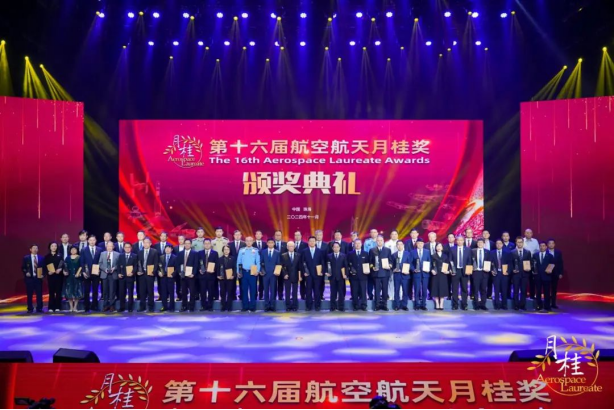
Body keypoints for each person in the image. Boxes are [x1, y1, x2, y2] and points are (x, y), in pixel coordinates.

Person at [302, 236, 326, 311]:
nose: (312, 242)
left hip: (317, 274)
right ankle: (308, 306)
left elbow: (322, 262)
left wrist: (322, 272)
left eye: (313, 241)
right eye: (310, 241)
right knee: (308, 291)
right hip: (308, 274)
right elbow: (302, 262)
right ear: (308, 242)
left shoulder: (320, 251)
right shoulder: (304, 251)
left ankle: (317, 306)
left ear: (315, 242)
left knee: (317, 291)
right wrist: (304, 272)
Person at [237, 236, 261, 312]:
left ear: (253, 242)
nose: (248, 242)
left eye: (250, 241)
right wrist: (238, 271)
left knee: (253, 290)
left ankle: (252, 306)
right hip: (244, 272)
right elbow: (239, 262)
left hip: (252, 272)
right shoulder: (241, 250)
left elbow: (258, 262)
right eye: (247, 241)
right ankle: (245, 306)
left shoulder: (256, 250)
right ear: (245, 242)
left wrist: (258, 270)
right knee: (244, 290)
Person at [369, 235, 392, 311]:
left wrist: (389, 265)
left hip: (385, 273)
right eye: (378, 240)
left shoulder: (388, 250)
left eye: (381, 240)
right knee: (377, 290)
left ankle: (384, 305)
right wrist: (372, 267)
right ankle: (377, 305)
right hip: (376, 273)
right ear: (376, 241)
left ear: (383, 241)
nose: (379, 242)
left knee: (385, 290)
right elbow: (370, 262)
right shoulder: (372, 250)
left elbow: (390, 261)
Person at [449, 235, 472, 310]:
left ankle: (464, 305)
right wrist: (451, 270)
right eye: (458, 240)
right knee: (454, 289)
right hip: (455, 271)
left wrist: (468, 270)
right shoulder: (452, 249)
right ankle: (455, 305)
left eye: (461, 240)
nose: (459, 242)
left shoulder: (468, 249)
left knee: (464, 289)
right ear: (456, 241)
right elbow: (450, 260)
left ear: (463, 241)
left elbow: (469, 261)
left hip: (464, 271)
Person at [347, 238, 369, 311]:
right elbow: (347, 264)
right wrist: (350, 271)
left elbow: (368, 263)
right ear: (354, 245)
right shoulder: (350, 254)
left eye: (359, 243)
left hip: (363, 276)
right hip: (353, 276)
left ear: (361, 244)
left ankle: (364, 305)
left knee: (363, 291)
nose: (357, 245)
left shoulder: (365, 253)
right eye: (356, 243)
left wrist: (367, 271)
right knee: (354, 291)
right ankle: (355, 305)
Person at [511, 236, 533, 311]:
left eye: (521, 242)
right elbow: (510, 263)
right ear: (516, 243)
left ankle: (522, 305)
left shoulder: (527, 252)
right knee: (516, 291)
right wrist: (512, 270)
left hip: (524, 274)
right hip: (516, 274)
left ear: (523, 243)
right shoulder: (512, 252)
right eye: (518, 242)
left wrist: (529, 268)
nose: (519, 244)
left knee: (524, 291)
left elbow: (530, 262)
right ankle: (516, 305)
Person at [137, 238, 158, 312]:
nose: (145, 244)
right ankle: (142, 307)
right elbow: (138, 263)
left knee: (150, 291)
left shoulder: (154, 251)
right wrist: (138, 271)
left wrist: (153, 272)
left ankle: (151, 306)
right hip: (142, 274)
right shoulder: (140, 252)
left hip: (150, 274)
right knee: (142, 291)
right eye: (144, 242)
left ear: (150, 243)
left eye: (147, 242)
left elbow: (156, 263)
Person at [81, 235, 102, 313]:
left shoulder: (99, 249)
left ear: (95, 241)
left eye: (93, 240)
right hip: (87, 272)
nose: (92, 241)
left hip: (96, 272)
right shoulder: (84, 250)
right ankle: (86, 306)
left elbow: (101, 261)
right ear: (88, 241)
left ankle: (94, 306)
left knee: (95, 290)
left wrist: (100, 269)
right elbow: (82, 261)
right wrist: (83, 271)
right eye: (90, 240)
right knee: (86, 290)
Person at [22, 244, 45, 313]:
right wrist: (26, 272)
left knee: (39, 294)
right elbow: (23, 268)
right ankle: (30, 308)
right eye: (33, 248)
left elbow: (44, 268)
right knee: (29, 294)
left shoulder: (41, 258)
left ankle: (39, 308)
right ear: (30, 249)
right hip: (30, 279)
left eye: (36, 248)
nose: (35, 249)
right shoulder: (26, 258)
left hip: (38, 278)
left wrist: (43, 275)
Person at [533, 241, 555, 312]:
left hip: (546, 276)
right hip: (538, 277)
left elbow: (552, 264)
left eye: (543, 246)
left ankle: (547, 306)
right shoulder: (535, 255)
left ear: (546, 247)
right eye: (540, 246)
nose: (542, 247)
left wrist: (550, 270)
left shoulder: (550, 256)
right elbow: (533, 265)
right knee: (538, 292)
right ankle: (539, 305)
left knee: (547, 292)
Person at [178, 239, 199, 312]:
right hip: (183, 276)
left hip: (191, 276)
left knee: (192, 292)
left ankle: (191, 306)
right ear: (184, 244)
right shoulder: (180, 253)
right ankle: (184, 306)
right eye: (185, 243)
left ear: (191, 244)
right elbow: (178, 264)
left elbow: (196, 264)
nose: (187, 245)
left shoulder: (195, 253)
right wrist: (179, 272)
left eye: (188, 243)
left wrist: (193, 273)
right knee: (184, 292)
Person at [260, 238, 281, 312]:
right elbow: (261, 262)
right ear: (267, 243)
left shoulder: (277, 252)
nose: (270, 244)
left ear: (274, 244)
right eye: (269, 242)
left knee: (273, 290)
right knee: (265, 290)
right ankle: (266, 305)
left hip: (273, 274)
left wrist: (277, 272)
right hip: (265, 274)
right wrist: (262, 271)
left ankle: (272, 305)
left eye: (272, 242)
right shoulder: (263, 252)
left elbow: (278, 263)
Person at [471, 238, 493, 311]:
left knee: (483, 289)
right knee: (476, 289)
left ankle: (483, 304)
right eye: (479, 242)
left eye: (481, 242)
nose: (480, 244)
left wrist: (489, 269)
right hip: (476, 272)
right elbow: (470, 261)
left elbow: (490, 261)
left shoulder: (488, 252)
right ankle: (476, 305)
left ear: (484, 244)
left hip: (484, 272)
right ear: (477, 244)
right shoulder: (473, 251)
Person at [198, 239, 219, 311]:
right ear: (203, 245)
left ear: (210, 244)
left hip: (211, 275)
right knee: (202, 291)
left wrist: (214, 270)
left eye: (208, 243)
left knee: (211, 291)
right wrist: (199, 269)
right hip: (202, 275)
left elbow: (217, 264)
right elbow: (197, 263)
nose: (207, 245)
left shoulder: (215, 253)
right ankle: (203, 306)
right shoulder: (200, 253)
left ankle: (210, 306)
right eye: (205, 243)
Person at [391, 240, 412, 311]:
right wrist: (393, 269)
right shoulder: (393, 255)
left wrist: (407, 270)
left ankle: (404, 305)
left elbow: (410, 263)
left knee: (405, 291)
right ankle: (396, 305)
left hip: (405, 275)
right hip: (397, 275)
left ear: (403, 245)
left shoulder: (408, 254)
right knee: (396, 290)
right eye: (398, 244)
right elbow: (392, 265)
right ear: (396, 246)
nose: (399, 246)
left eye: (401, 244)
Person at [281, 241, 302, 312]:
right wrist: (285, 274)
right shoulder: (283, 255)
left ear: (294, 247)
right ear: (287, 247)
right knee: (287, 292)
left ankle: (295, 306)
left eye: (292, 246)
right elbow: (282, 266)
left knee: (295, 292)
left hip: (295, 276)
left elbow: (299, 267)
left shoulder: (298, 255)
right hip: (287, 276)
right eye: (289, 246)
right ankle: (288, 306)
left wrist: (300, 276)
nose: (291, 247)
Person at [99, 242, 119, 312]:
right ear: (106, 247)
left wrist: (114, 268)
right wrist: (105, 269)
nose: (109, 247)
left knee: (112, 291)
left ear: (113, 247)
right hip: (105, 274)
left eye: (111, 246)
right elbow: (100, 263)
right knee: (105, 291)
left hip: (113, 274)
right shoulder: (102, 254)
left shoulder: (117, 254)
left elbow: (119, 264)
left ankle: (112, 306)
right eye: (108, 246)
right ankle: (105, 305)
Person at [327, 242, 348, 312]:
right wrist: (326, 272)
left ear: (339, 248)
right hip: (332, 277)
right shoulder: (329, 256)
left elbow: (346, 266)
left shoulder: (343, 256)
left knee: (341, 293)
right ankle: (333, 307)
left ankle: (341, 307)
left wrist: (346, 274)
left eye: (337, 247)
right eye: (334, 247)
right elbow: (327, 265)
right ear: (332, 248)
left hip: (341, 277)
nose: (336, 248)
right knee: (333, 292)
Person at [490, 239, 511, 310]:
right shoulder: (492, 253)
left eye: (500, 243)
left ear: (502, 244)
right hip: (496, 273)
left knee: (504, 290)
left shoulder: (507, 253)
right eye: (497, 243)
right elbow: (489, 263)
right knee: (496, 290)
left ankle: (504, 305)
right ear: (495, 245)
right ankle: (497, 305)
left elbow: (510, 263)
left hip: (504, 274)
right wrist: (491, 270)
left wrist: (508, 271)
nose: (498, 245)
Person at [411, 239, 431, 311]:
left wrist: (428, 268)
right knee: (417, 289)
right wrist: (413, 269)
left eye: (421, 243)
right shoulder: (412, 252)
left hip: (425, 274)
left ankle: (423, 304)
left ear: (423, 244)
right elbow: (410, 263)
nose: (420, 245)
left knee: (424, 290)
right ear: (416, 244)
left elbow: (430, 261)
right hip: (416, 274)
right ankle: (417, 305)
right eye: (418, 243)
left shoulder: (427, 252)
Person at [45, 242, 64, 313]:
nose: (54, 247)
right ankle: (51, 307)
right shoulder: (47, 256)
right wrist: (48, 272)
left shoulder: (60, 256)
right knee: (51, 292)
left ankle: (58, 307)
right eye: (52, 246)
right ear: (50, 247)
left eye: (55, 246)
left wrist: (60, 269)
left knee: (58, 292)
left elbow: (63, 265)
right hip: (51, 276)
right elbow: (44, 266)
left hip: (59, 276)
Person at [117, 242, 137, 312]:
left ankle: (130, 307)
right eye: (126, 247)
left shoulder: (134, 256)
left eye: (129, 247)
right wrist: (119, 273)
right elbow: (118, 265)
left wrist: (132, 273)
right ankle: (122, 307)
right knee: (122, 293)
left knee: (130, 293)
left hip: (130, 277)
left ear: (131, 248)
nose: (127, 248)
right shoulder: (121, 255)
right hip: (122, 277)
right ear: (124, 248)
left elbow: (136, 266)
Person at [216, 245, 236, 312]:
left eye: (227, 249)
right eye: (225, 249)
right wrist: (218, 275)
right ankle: (223, 306)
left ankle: (229, 306)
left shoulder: (233, 258)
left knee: (230, 292)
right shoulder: (219, 259)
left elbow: (235, 268)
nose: (226, 251)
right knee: (222, 292)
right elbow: (217, 268)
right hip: (222, 278)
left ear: (229, 251)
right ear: (223, 251)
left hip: (230, 278)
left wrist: (233, 275)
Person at [63, 246, 82, 312]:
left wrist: (79, 273)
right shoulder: (67, 258)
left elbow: (81, 266)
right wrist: (64, 271)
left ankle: (75, 307)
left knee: (77, 291)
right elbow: (64, 266)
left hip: (77, 276)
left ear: (77, 250)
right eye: (72, 249)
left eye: (74, 249)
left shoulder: (79, 257)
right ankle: (71, 307)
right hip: (69, 276)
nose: (73, 250)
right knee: (69, 291)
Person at [430, 243, 449, 310]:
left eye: (440, 246)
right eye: (437, 246)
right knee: (435, 288)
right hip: (435, 274)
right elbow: (430, 265)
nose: (439, 247)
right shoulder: (433, 256)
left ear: (442, 248)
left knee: (442, 289)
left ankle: (441, 304)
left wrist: (448, 271)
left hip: (443, 274)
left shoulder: (445, 256)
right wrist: (432, 270)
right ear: (435, 248)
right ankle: (437, 303)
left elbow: (448, 265)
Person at [159, 244, 177, 312]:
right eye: (166, 248)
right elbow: (158, 266)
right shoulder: (161, 257)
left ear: (171, 249)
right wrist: (159, 272)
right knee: (163, 292)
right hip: (163, 277)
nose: (167, 249)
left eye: (169, 248)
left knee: (171, 292)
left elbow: (177, 268)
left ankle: (171, 307)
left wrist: (173, 274)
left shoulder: (175, 257)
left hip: (171, 277)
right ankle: (164, 306)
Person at [547, 239, 564, 309]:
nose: (551, 245)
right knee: (547, 289)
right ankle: (547, 303)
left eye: (552, 243)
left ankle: (553, 303)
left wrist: (561, 273)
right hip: (547, 273)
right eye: (549, 243)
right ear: (547, 245)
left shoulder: (558, 252)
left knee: (554, 289)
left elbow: (560, 263)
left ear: (554, 244)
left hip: (556, 273)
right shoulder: (545, 252)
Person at [523, 229, 539, 300]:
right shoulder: (522, 240)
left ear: (532, 234)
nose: (528, 234)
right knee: (524, 279)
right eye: (527, 233)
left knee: (532, 279)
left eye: (530, 233)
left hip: (533, 261)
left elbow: (538, 250)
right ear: (524, 233)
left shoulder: (535, 241)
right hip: (524, 261)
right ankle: (524, 294)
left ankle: (532, 295)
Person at [230, 230, 246, 300]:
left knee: (242, 282)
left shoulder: (244, 244)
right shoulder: (230, 244)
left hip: (241, 266)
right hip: (232, 266)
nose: (237, 236)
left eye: (239, 235)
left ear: (241, 236)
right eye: (236, 235)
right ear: (233, 236)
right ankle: (233, 296)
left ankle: (242, 296)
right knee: (232, 282)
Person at [363, 228, 379, 301]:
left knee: (378, 281)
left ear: (377, 233)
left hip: (378, 264)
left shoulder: (380, 241)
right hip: (369, 263)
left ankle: (377, 296)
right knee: (369, 281)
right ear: (370, 234)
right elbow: (365, 253)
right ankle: (370, 295)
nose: (373, 233)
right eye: (372, 232)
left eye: (375, 232)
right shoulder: (367, 242)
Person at [385, 230, 400, 300]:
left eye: (395, 234)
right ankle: (390, 295)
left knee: (398, 280)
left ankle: (398, 296)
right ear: (390, 235)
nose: (394, 235)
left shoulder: (401, 243)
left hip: (398, 264)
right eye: (392, 234)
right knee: (390, 280)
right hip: (389, 264)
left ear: (397, 235)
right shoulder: (387, 243)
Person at [272, 230, 287, 300]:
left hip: (282, 267)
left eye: (279, 235)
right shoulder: (271, 244)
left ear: (281, 236)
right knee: (273, 283)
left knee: (281, 282)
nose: (278, 236)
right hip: (273, 266)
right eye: (276, 235)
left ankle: (280, 296)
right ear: (274, 236)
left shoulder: (285, 244)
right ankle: (273, 296)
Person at [314, 229, 327, 301]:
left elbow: (327, 256)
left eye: (320, 235)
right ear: (315, 236)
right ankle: (315, 295)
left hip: (322, 266)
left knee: (322, 282)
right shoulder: (312, 244)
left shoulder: (326, 245)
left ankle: (321, 295)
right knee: (314, 282)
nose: (319, 236)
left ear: (322, 236)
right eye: (317, 235)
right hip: (313, 266)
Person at [173, 234, 187, 301]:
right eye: (179, 239)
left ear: (184, 240)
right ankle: (178, 296)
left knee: (185, 283)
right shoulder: (175, 248)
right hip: (177, 268)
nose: (180, 240)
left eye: (182, 239)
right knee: (178, 282)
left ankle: (185, 296)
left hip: (186, 268)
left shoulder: (187, 247)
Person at [254, 230, 265, 300]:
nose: (258, 235)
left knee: (262, 281)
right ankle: (254, 295)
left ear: (261, 235)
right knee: (254, 281)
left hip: (263, 265)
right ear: (255, 235)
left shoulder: (265, 244)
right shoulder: (252, 244)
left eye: (259, 234)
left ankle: (261, 295)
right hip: (254, 265)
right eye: (257, 234)